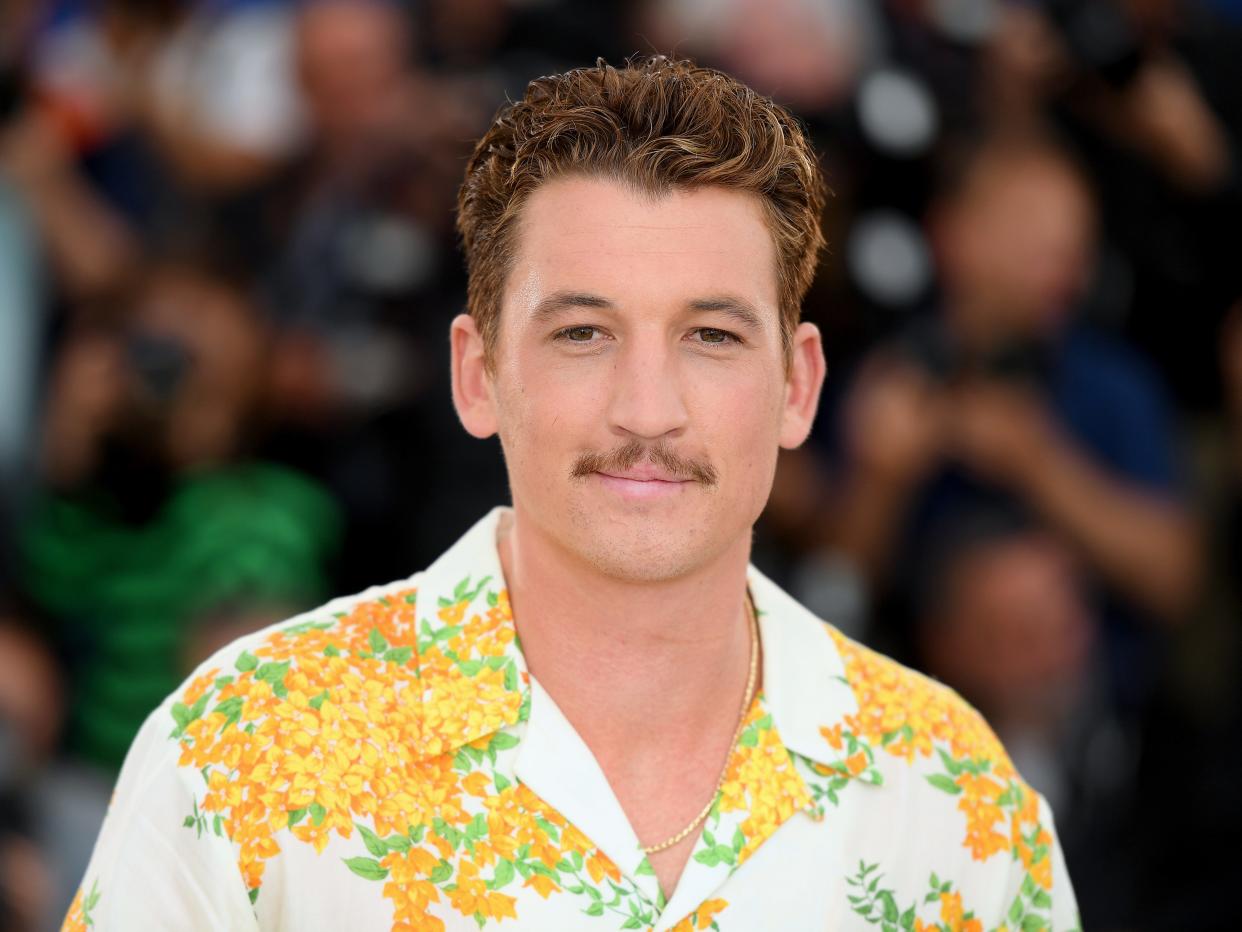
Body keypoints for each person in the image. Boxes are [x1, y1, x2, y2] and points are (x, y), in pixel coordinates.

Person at [62, 58, 1078, 930]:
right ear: (477, 374)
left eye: (712, 336)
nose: (647, 409)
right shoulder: (235, 752)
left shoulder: (957, 801)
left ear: (799, 385)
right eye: (582, 332)